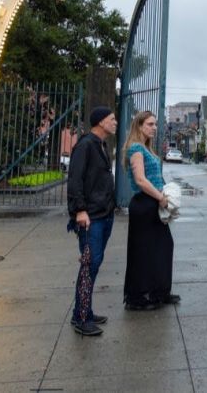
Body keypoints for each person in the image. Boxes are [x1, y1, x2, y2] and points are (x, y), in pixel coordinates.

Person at [66, 106, 117, 336]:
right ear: (100, 122)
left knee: (94, 264)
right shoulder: (85, 145)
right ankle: (81, 318)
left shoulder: (101, 145)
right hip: (90, 218)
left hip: (104, 215)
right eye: (111, 119)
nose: (115, 122)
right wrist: (80, 211)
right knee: (89, 265)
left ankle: (83, 310)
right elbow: (75, 180)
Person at [123, 111, 180, 311]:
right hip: (145, 204)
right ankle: (137, 298)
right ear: (139, 126)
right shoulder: (136, 149)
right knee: (143, 251)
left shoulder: (147, 148)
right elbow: (140, 180)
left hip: (153, 202)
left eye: (155, 124)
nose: (154, 127)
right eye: (150, 124)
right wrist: (160, 198)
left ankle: (160, 292)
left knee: (163, 246)